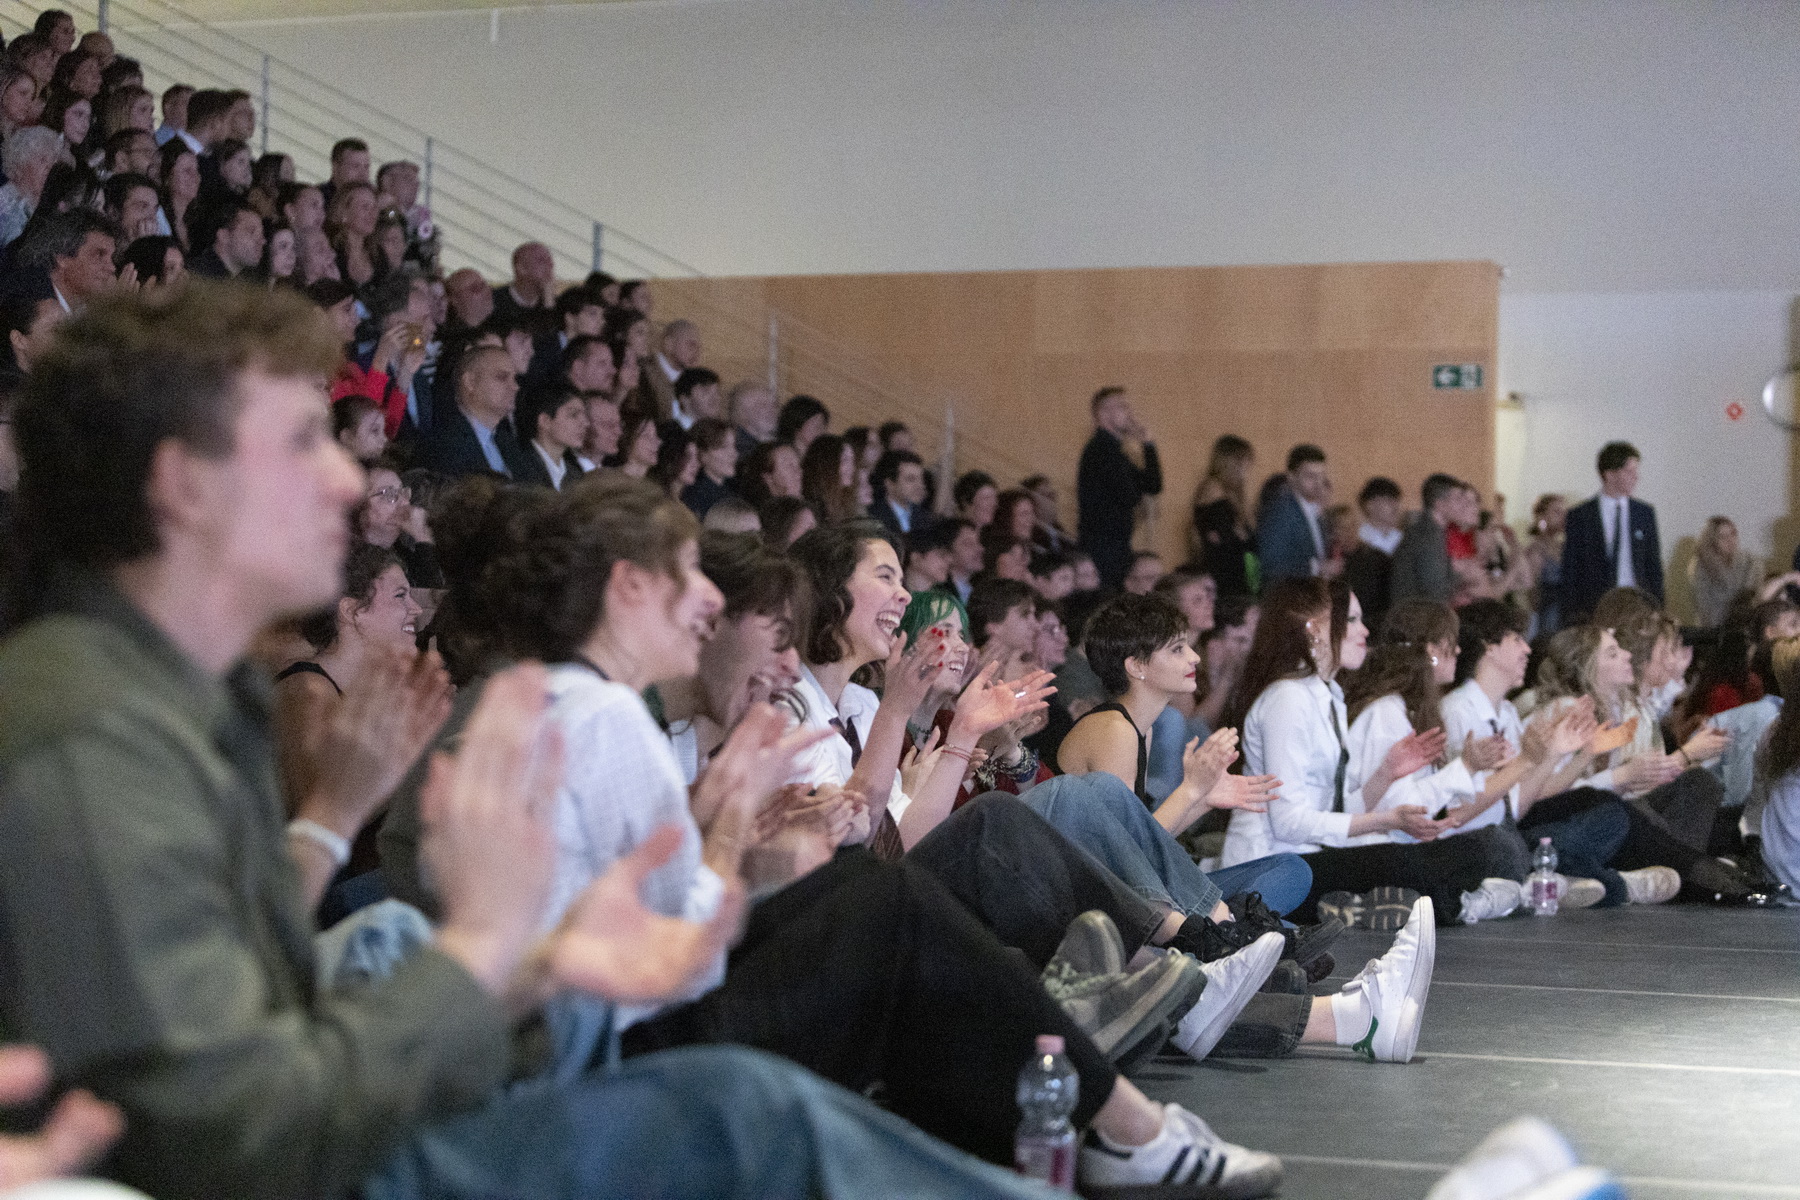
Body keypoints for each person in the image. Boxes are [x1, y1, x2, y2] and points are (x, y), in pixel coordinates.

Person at [0, 284, 1097, 1200]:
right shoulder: (96, 732)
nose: (345, 476)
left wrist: (526, 969)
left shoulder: (187, 696)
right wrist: (487, 951)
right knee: (742, 1108)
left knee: (734, 1091)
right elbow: (230, 1137)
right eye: (300, 442)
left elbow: (257, 1029)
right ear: (184, 485)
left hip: (356, 1108)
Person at [1223, 578, 1534, 927]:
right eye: (1351, 620)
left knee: (1458, 851)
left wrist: (1386, 773)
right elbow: (1289, 823)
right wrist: (1386, 820)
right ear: (1314, 629)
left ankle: (1383, 905)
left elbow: (1333, 812)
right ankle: (1444, 904)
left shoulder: (1327, 697)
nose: (1365, 630)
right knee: (1454, 853)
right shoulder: (1289, 698)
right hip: (1274, 867)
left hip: (1308, 856)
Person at [1561, 441, 1664, 623]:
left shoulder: (1644, 513)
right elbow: (1571, 568)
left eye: (1636, 471)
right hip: (1595, 606)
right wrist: (1572, 613)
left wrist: (1658, 607)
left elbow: (1653, 565)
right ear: (1609, 474)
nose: (1636, 477)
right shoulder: (1582, 515)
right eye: (1629, 472)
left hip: (1637, 604)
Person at [1076, 386, 1161, 589]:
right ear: (1103, 413)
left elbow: (1153, 485)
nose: (1129, 414)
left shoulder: (1115, 452)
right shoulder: (1101, 451)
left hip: (1115, 545)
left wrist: (1148, 445)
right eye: (1122, 407)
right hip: (1103, 548)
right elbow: (1129, 496)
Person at [416, 343, 534, 480]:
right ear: (470, 382)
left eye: (514, 379)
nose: (515, 387)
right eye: (501, 377)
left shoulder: (509, 444)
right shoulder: (441, 446)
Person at [1190, 434, 1258, 598]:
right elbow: (1226, 537)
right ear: (1228, 462)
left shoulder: (1233, 493)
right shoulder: (1213, 490)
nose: (1246, 467)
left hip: (1235, 571)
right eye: (1241, 461)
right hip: (1221, 573)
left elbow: (1248, 537)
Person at [1254, 444, 1330, 583]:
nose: (1318, 483)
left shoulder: (1315, 511)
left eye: (1321, 476)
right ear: (1291, 477)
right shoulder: (1280, 511)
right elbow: (1273, 564)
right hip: (1287, 593)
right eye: (1310, 476)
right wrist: (1316, 567)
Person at [1388, 473, 1464, 607]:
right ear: (1440, 504)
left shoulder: (1425, 531)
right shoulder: (1428, 536)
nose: (1462, 505)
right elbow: (1435, 592)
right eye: (1457, 499)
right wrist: (1460, 573)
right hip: (1415, 615)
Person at [1688, 515, 1762, 628]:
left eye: (1733, 534)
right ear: (1712, 540)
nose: (1730, 540)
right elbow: (1703, 606)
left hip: (1747, 624)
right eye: (1722, 537)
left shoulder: (1750, 562)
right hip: (1714, 627)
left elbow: (1757, 595)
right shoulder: (1701, 566)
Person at [518, 386, 590, 492]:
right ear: (545, 421)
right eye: (573, 415)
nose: (586, 423)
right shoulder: (519, 465)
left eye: (585, 416)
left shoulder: (575, 475)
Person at [680, 416, 737, 516]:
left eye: (733, 446)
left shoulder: (732, 492)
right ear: (702, 454)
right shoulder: (696, 498)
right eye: (723, 447)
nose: (734, 454)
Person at [870, 448, 929, 538]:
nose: (920, 485)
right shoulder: (872, 518)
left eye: (921, 479)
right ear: (890, 484)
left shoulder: (924, 518)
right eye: (910, 479)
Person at [728, 378, 777, 458]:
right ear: (742, 414)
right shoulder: (739, 453)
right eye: (761, 405)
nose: (771, 409)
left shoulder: (780, 443)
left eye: (773, 404)